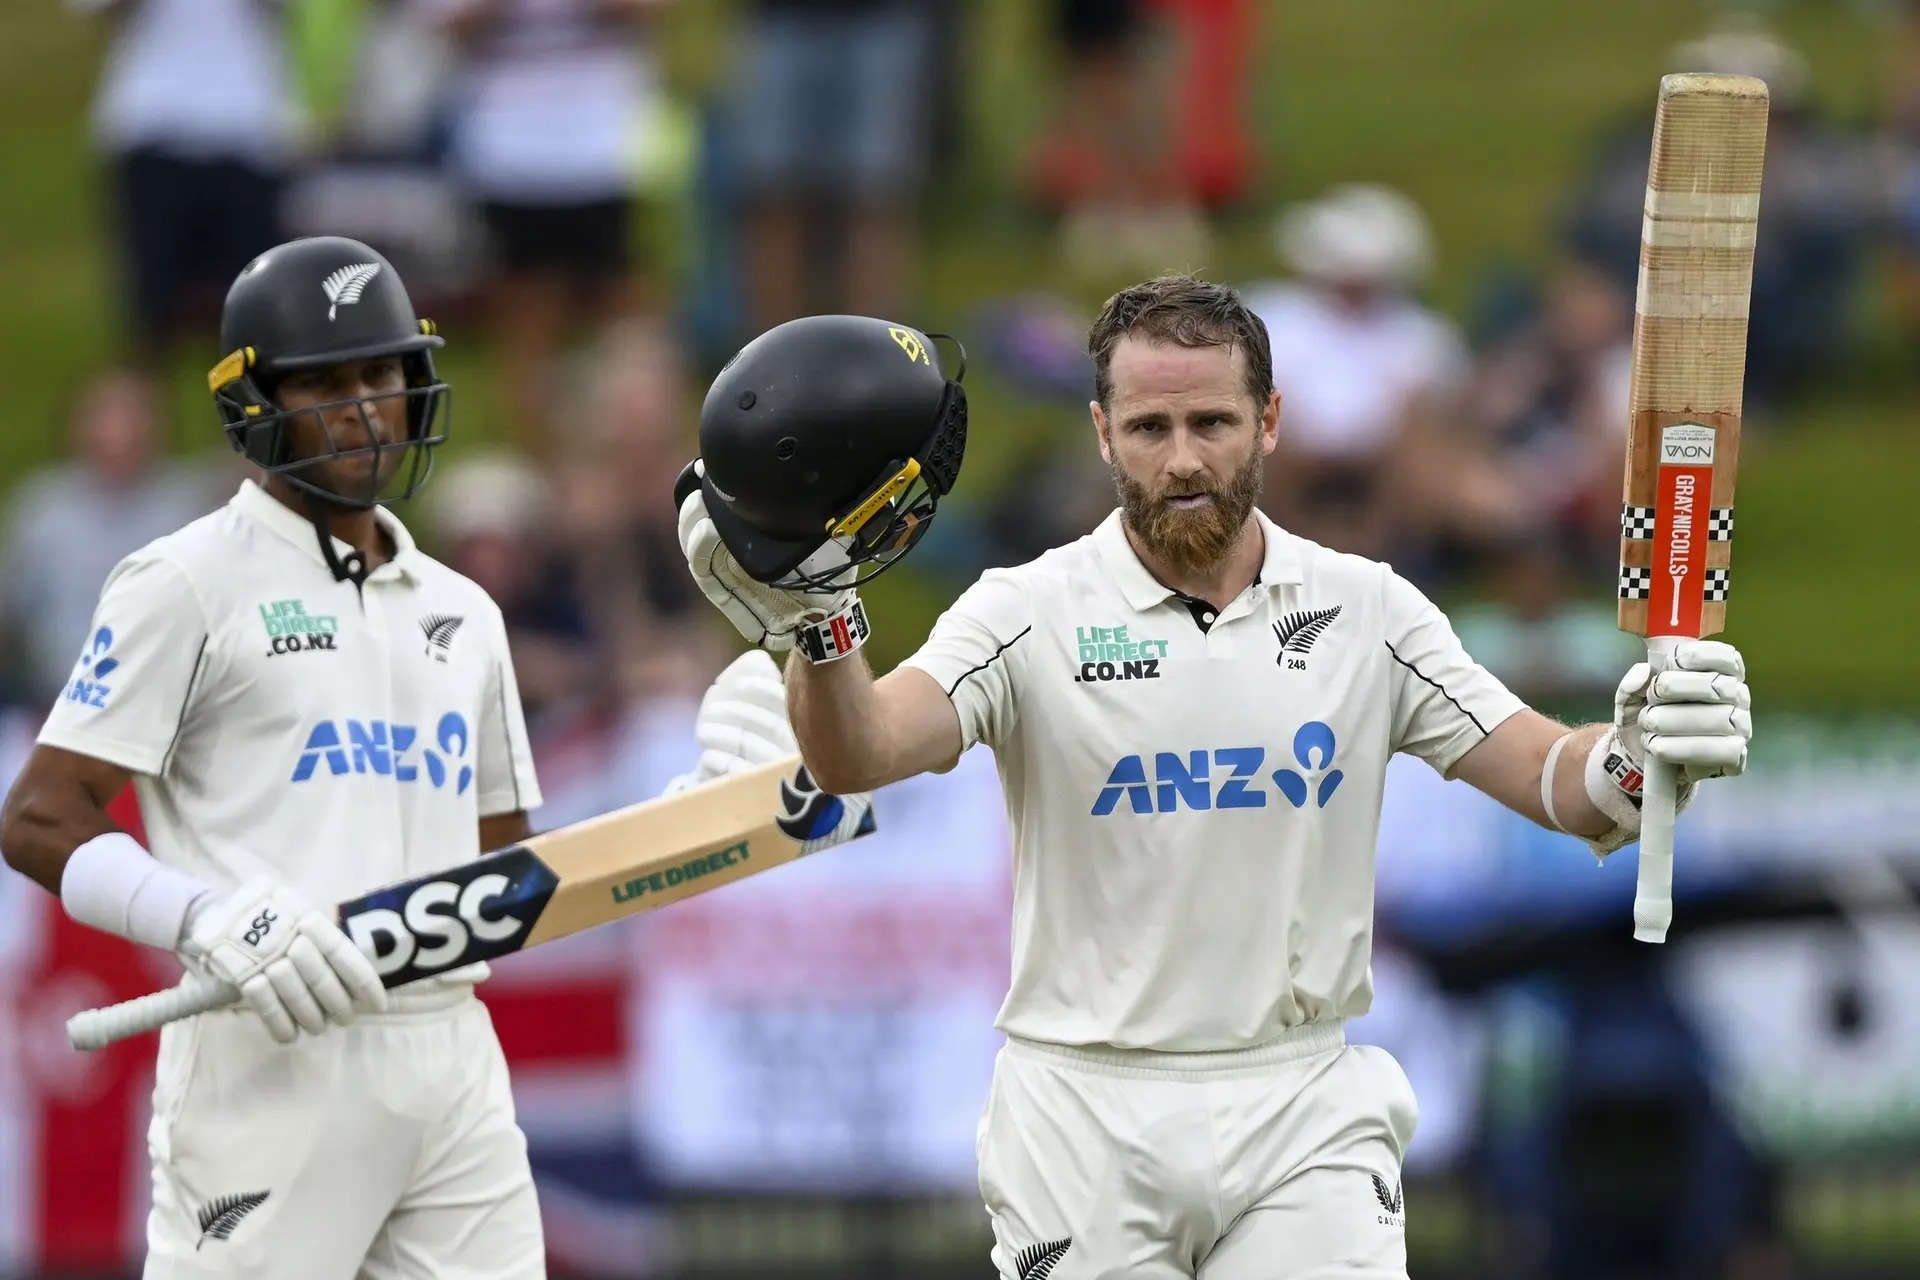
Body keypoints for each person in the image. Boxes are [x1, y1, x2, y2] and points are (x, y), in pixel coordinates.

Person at [676, 280, 1755, 1280]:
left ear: (1269, 421)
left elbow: (1554, 780)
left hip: (1300, 1099)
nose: (1183, 459)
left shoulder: (1366, 610)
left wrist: (1638, 755)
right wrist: (819, 623)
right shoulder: (1024, 611)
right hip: (1084, 1106)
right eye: (1149, 428)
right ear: (1103, 432)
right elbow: (861, 750)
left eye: (1212, 424)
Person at [0, 236, 800, 1278]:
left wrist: (693, 818)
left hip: (449, 1058)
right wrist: (202, 916)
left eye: (381, 374)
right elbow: (38, 814)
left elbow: (502, 880)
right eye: (324, 381)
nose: (362, 404)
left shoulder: (464, 612)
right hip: (270, 1053)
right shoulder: (183, 580)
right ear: (253, 403)